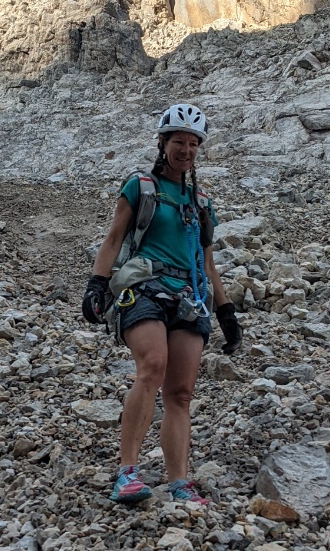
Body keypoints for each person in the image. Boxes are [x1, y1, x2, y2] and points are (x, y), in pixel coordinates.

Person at [82, 103, 242, 506]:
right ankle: (127, 473)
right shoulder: (140, 185)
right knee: (151, 367)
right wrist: (97, 285)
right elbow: (114, 238)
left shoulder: (201, 201)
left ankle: (179, 483)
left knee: (182, 393)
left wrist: (226, 312)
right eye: (178, 142)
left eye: (193, 143)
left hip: (190, 295)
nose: (186, 150)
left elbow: (207, 262)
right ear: (162, 143)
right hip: (146, 286)